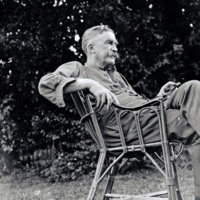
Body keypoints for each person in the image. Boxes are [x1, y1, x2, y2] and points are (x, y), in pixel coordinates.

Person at [38, 25, 200, 199]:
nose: (115, 48)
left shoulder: (117, 76)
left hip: (143, 119)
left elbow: (137, 104)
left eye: (115, 44)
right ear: (91, 48)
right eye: (109, 43)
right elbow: (46, 83)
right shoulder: (79, 69)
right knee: (193, 104)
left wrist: (159, 97)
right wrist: (90, 84)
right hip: (125, 130)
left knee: (193, 92)